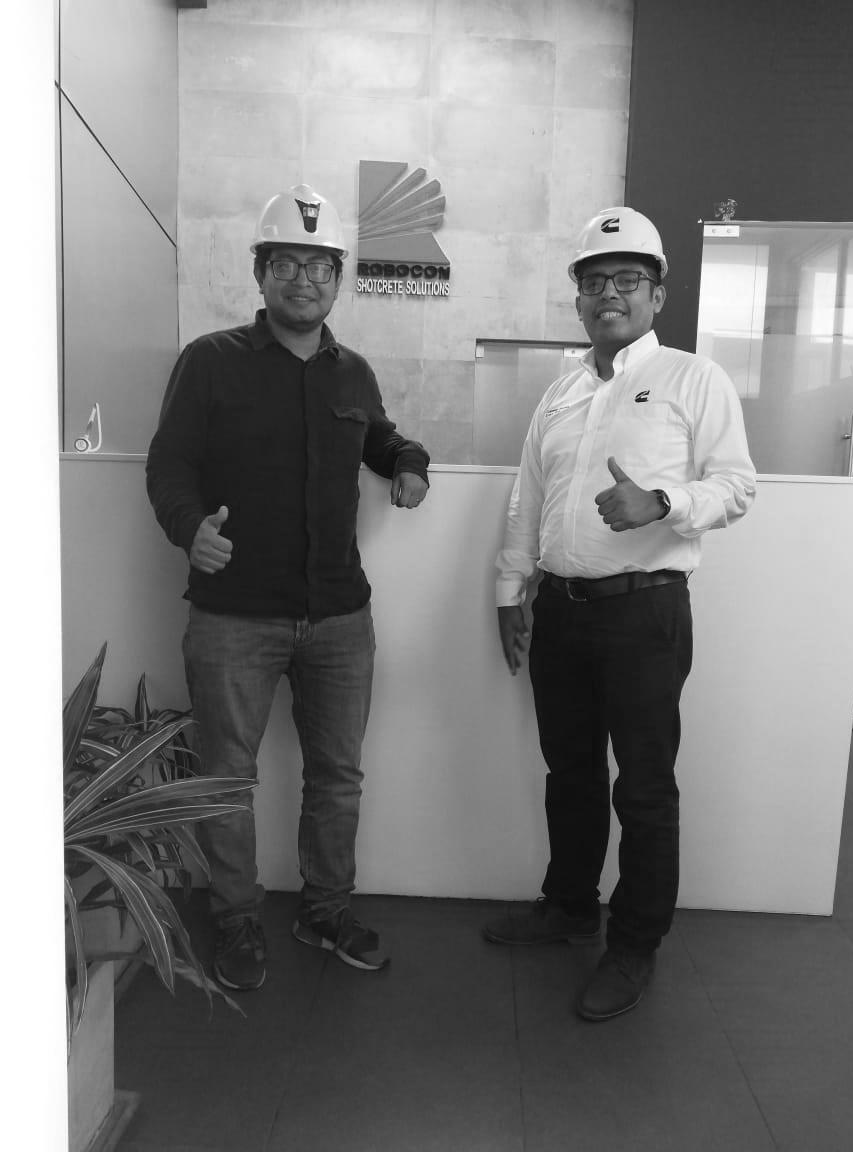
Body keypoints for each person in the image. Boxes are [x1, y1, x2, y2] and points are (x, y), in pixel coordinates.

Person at [146, 184, 429, 991]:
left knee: (338, 776)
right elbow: (169, 465)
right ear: (261, 273)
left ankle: (325, 910)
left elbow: (380, 438)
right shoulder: (210, 361)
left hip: (339, 615)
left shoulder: (353, 373)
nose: (304, 280)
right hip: (234, 615)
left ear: (338, 278)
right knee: (226, 779)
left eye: (319, 266)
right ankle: (236, 918)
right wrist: (189, 527)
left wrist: (409, 464)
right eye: (287, 264)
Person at [482, 207, 756, 1021]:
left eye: (627, 279)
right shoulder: (561, 393)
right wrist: (510, 591)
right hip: (561, 613)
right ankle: (571, 906)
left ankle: (634, 943)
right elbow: (528, 498)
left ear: (656, 294)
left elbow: (737, 485)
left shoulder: (693, 379)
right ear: (578, 298)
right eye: (594, 281)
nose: (609, 294)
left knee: (642, 786)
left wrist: (661, 502)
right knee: (569, 772)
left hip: (645, 615)